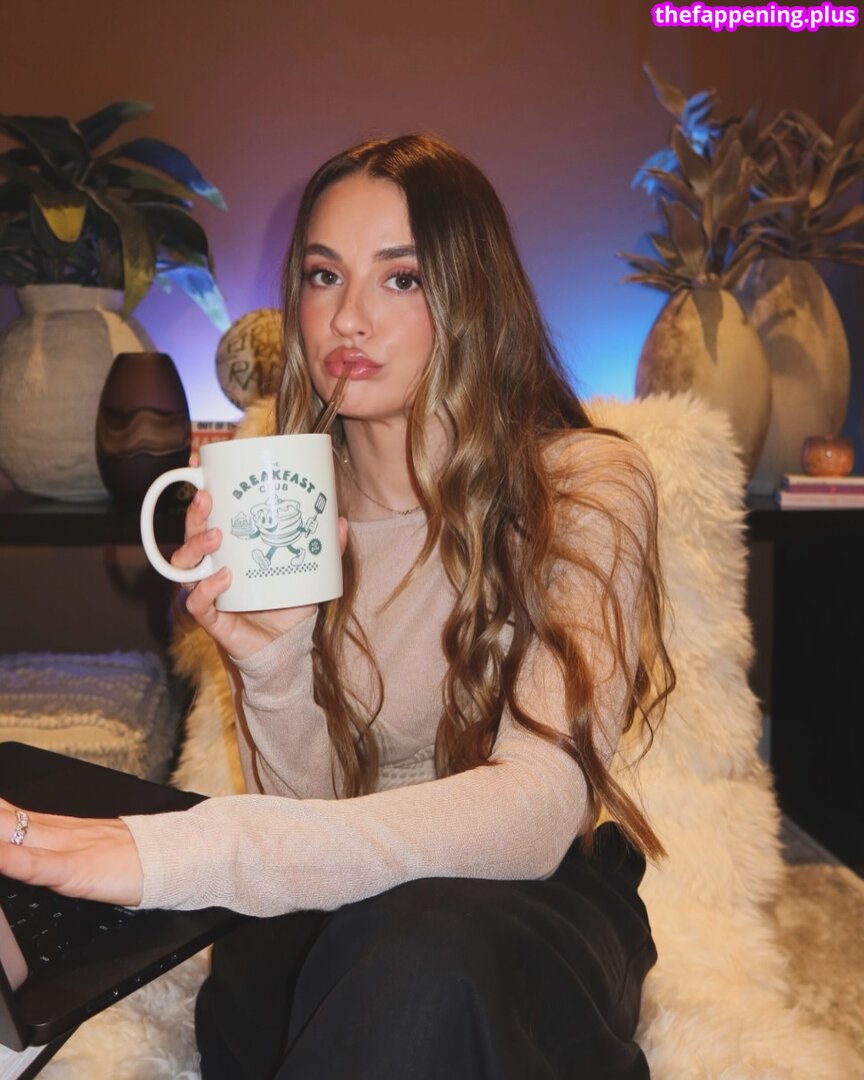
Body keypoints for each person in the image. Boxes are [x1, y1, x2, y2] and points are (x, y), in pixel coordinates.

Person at [0, 134, 674, 1079]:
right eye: (323, 276)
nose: (347, 317)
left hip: (522, 912)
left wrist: (192, 849)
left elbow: (538, 808)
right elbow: (309, 822)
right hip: (337, 900)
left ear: (475, 294)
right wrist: (270, 662)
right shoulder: (288, 501)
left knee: (416, 962)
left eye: (401, 279)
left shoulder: (584, 488)